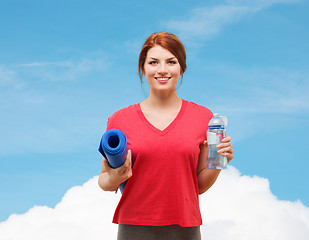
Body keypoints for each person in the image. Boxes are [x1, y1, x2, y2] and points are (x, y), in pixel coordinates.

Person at [98, 32, 234, 240]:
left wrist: (218, 162)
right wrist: (116, 177)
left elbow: (196, 187)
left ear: (181, 67)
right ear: (143, 68)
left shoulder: (203, 118)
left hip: (185, 229)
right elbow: (105, 181)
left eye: (171, 62)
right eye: (153, 62)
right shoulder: (119, 120)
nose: (162, 70)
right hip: (134, 228)